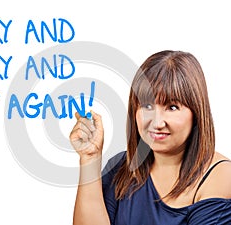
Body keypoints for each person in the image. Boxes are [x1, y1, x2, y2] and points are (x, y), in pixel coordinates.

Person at [69, 50, 231, 225]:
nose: (157, 122)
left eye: (172, 107)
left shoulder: (220, 176)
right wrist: (90, 159)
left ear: (196, 113)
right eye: (147, 105)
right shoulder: (121, 167)